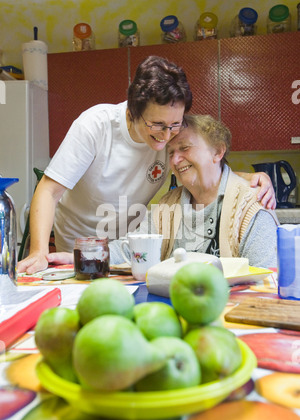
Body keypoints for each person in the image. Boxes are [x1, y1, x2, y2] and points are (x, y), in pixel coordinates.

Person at [17, 56, 276, 274]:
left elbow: (202, 163)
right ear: (132, 111)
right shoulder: (95, 126)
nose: (166, 136)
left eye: (174, 125)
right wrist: (39, 252)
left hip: (132, 248)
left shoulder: (170, 140)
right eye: (158, 126)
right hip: (84, 245)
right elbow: (49, 190)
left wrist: (248, 178)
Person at [108, 114, 279, 268]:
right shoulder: (168, 206)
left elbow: (266, 283)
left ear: (218, 151)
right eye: (171, 152)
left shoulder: (252, 206)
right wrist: (93, 254)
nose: (175, 160)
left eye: (184, 148)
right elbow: (132, 247)